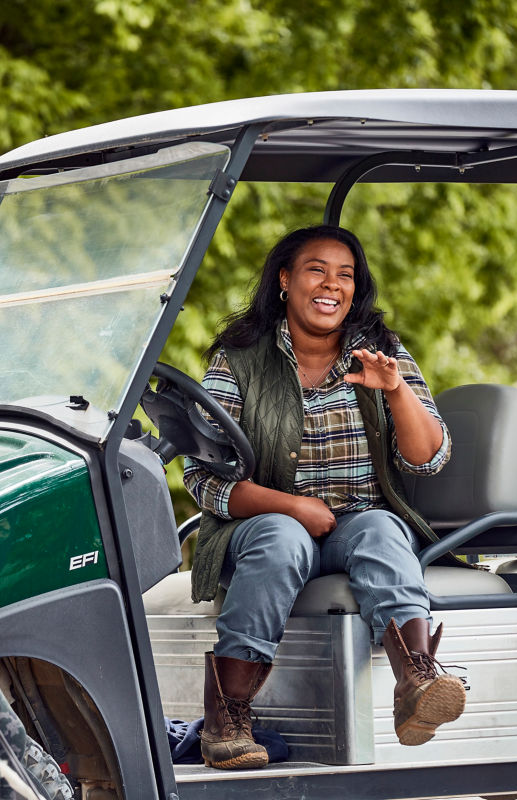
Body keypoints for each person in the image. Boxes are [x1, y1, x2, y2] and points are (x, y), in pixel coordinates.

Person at [183, 224, 466, 770]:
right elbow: (203, 478)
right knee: (283, 537)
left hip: (355, 525)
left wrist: (396, 389)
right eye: (317, 270)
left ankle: (418, 682)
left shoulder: (381, 353)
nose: (331, 285)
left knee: (383, 528)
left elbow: (429, 457)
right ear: (286, 279)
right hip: (262, 528)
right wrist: (291, 505)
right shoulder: (237, 360)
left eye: (345, 275)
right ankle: (228, 720)